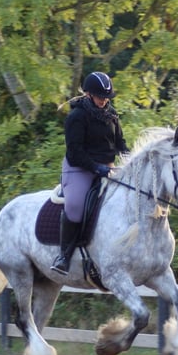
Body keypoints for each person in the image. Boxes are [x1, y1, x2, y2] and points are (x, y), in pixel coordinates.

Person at [51, 71, 129, 275]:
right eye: (100, 97)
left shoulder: (111, 115)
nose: (104, 101)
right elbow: (75, 152)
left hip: (107, 167)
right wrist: (96, 167)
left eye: (106, 97)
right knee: (76, 205)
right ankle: (64, 256)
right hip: (79, 168)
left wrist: (131, 160)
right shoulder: (77, 117)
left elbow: (120, 144)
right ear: (88, 94)